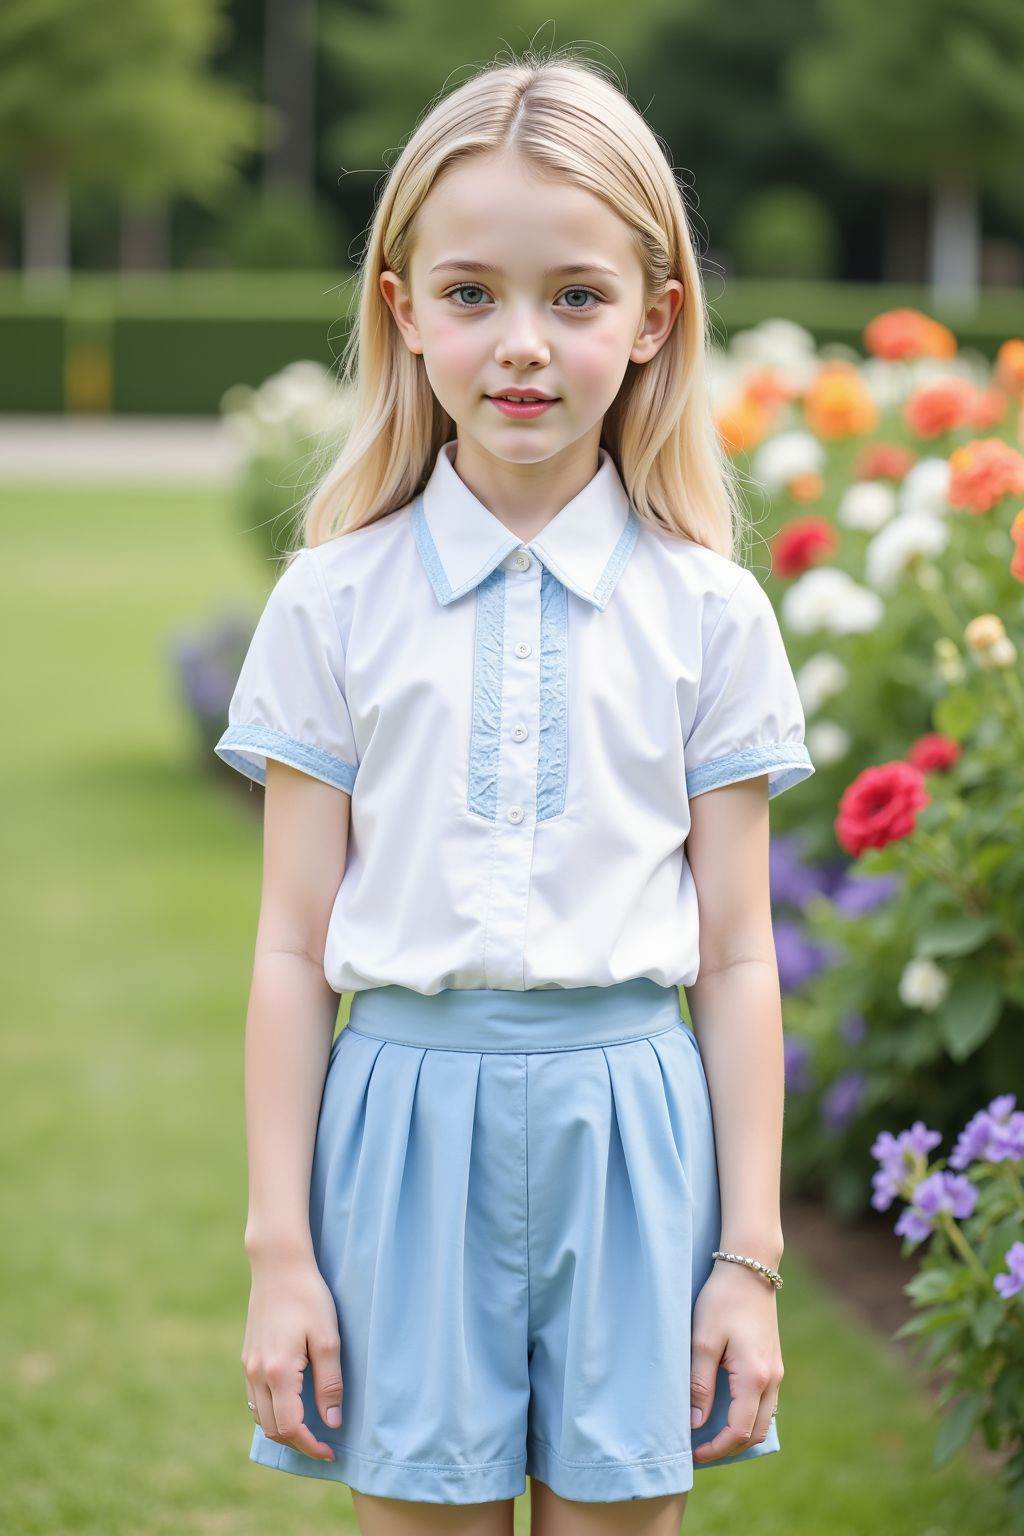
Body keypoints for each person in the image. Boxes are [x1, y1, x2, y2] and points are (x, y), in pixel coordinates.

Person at [215, 47, 815, 1536]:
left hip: (635, 1132)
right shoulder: (333, 605)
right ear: (403, 312)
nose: (522, 346)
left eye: (577, 296)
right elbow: (293, 948)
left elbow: (739, 957)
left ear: (655, 319)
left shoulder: (712, 614)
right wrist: (280, 1250)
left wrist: (747, 1259)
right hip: (402, 1129)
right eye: (473, 294)